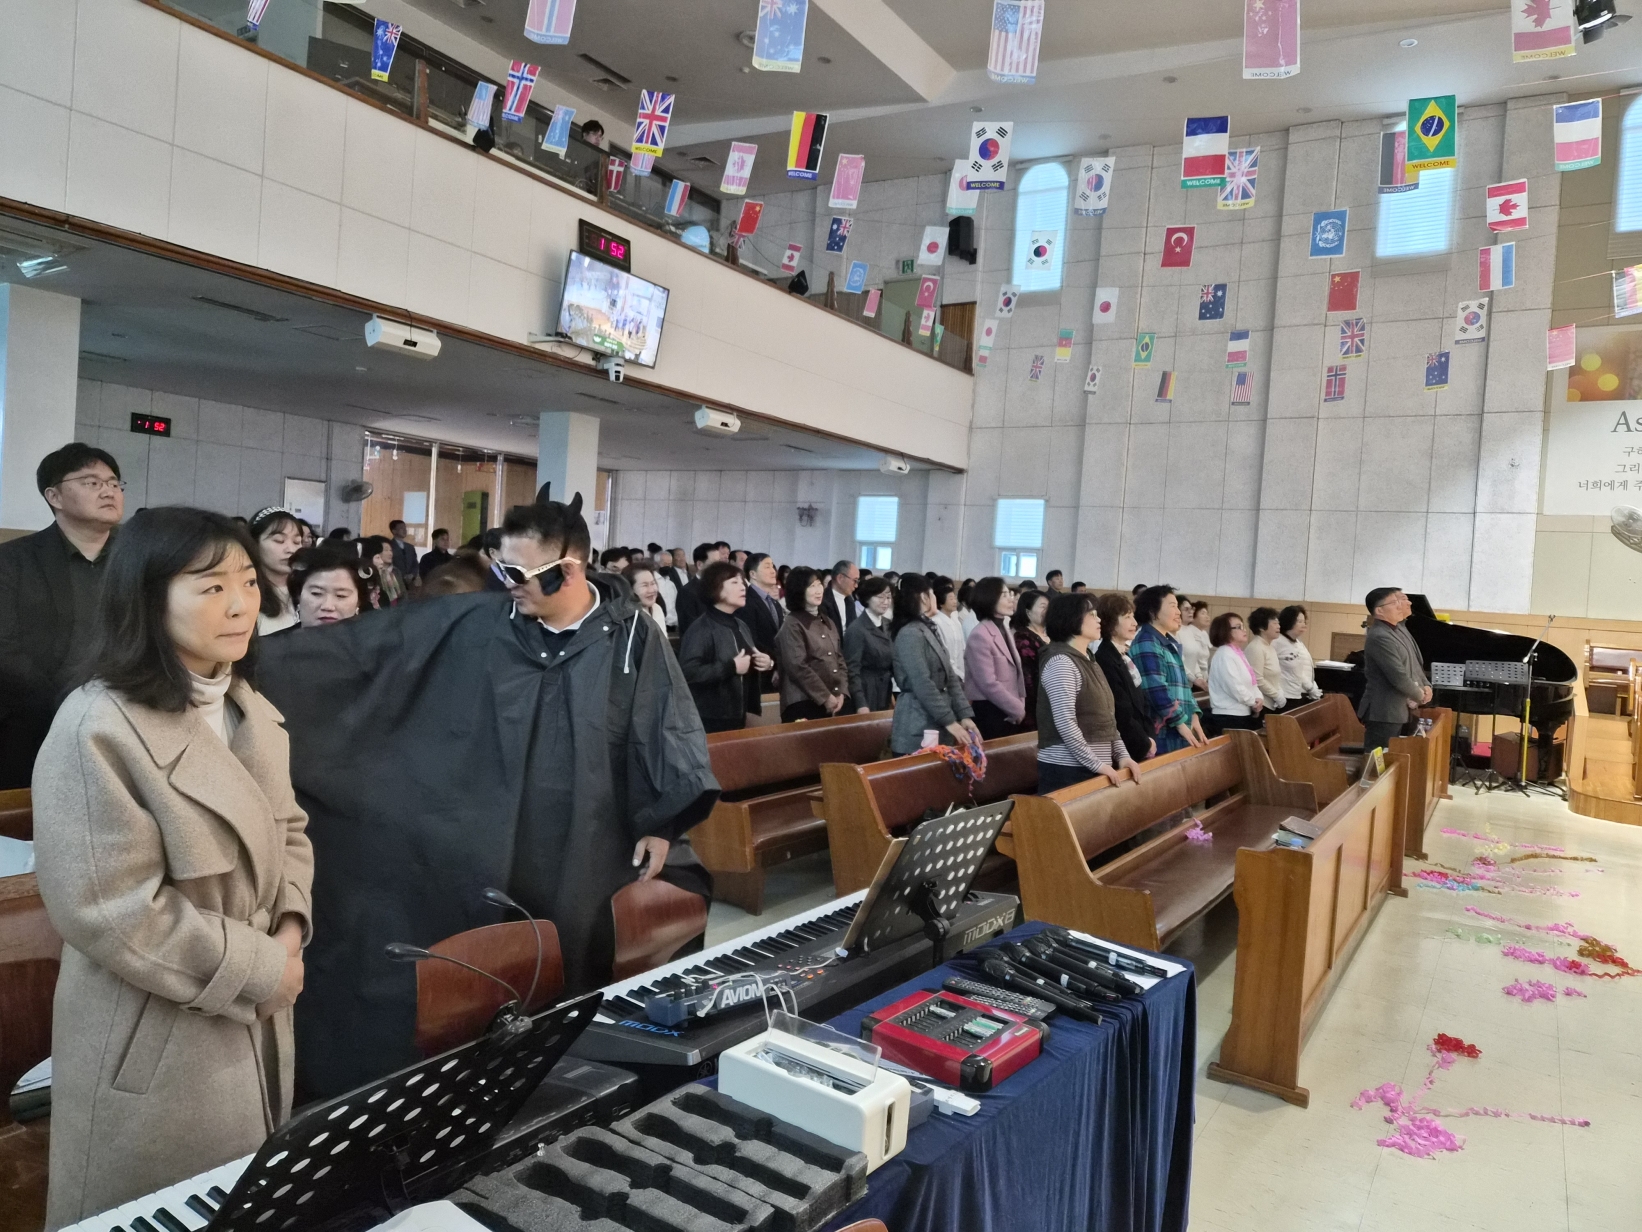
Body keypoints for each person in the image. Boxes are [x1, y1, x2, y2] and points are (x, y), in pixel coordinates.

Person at [257, 490, 717, 1097]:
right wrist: (250, 661)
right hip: (487, 825)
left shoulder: (630, 638)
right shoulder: (484, 622)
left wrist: (662, 822)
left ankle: (565, 1078)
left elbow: (664, 726)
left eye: (520, 575)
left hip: (586, 832)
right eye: (503, 571)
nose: (509, 586)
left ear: (568, 571)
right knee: (485, 946)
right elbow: (376, 651)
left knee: (573, 952)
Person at [32, 508, 312, 1227]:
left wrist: (289, 930)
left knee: (241, 1197)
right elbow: (111, 909)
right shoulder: (96, 726)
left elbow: (289, 830)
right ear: (148, 597)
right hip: (154, 1030)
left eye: (248, 581)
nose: (241, 604)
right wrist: (263, 967)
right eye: (211, 587)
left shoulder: (248, 707)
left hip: (253, 1006)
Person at [0, 442, 125, 790]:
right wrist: (68, 703)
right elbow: (4, 648)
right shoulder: (12, 561)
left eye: (114, 483)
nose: (108, 491)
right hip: (33, 723)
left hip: (126, 721)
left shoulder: (140, 562)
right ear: (54, 496)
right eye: (91, 482)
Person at [1036, 593, 1136, 794]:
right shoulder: (1061, 662)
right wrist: (1096, 764)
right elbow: (1065, 722)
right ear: (1071, 618)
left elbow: (1107, 717)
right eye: (1092, 614)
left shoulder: (1089, 660)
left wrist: (1123, 755)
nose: (1099, 620)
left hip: (1091, 765)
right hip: (1067, 769)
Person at [889, 575, 979, 756]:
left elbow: (950, 676)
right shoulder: (910, 633)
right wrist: (949, 721)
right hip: (917, 722)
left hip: (935, 719)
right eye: (932, 594)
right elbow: (922, 683)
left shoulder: (926, 627)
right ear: (924, 597)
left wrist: (964, 714)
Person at [678, 561, 770, 733]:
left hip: (739, 713)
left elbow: (746, 661)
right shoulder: (701, 628)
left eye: (742, 582)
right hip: (710, 719)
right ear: (715, 588)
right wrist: (731, 667)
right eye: (734, 582)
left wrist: (765, 663)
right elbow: (688, 672)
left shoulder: (741, 624)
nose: (743, 587)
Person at [1130, 584, 1208, 753]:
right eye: (1173, 606)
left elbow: (1184, 685)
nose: (1178, 612)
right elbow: (1155, 688)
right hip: (1163, 732)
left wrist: (1194, 713)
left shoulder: (1167, 642)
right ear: (1153, 612)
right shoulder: (1147, 641)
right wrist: (1179, 722)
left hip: (1178, 728)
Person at [1359, 587, 1431, 753]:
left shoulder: (1396, 630)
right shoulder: (1380, 636)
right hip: (1383, 710)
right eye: (1394, 602)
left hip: (1396, 709)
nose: (1400, 605)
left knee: (1393, 759)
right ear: (1379, 611)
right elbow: (1398, 676)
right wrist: (1420, 695)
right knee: (1378, 760)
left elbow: (1414, 665)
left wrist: (1426, 686)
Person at [774, 566, 847, 721]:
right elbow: (797, 666)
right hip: (801, 703)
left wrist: (840, 692)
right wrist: (825, 697)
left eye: (819, 584)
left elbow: (839, 660)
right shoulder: (792, 624)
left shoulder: (827, 621)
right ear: (798, 590)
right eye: (811, 586)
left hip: (830, 700)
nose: (818, 590)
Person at [1092, 591, 1156, 763]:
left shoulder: (1124, 656)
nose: (1134, 623)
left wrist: (1150, 737)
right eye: (1127, 617)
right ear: (1110, 622)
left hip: (1142, 739)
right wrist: (1144, 743)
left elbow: (1143, 701)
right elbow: (1121, 711)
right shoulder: (1105, 659)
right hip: (1126, 747)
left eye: (1133, 616)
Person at [964, 577, 1027, 739]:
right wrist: (1016, 708)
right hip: (990, 711)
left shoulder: (1004, 628)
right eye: (1004, 595)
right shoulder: (980, 634)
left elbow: (1016, 672)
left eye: (1010, 594)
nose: (1011, 599)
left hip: (1009, 709)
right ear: (990, 599)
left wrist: (1020, 703)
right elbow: (987, 683)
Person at [844, 577, 895, 713]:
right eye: (880, 597)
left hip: (884, 690)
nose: (885, 602)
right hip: (866, 690)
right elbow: (852, 670)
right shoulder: (857, 629)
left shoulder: (888, 624)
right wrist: (860, 703)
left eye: (888, 597)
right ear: (867, 598)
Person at [1207, 612, 1265, 731]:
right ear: (1225, 631)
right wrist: (1253, 702)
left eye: (1243, 626)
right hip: (1229, 716)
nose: (1244, 630)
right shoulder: (1224, 655)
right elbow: (1235, 687)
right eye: (1238, 627)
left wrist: (1258, 698)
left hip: (1242, 713)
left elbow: (1252, 682)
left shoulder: (1237, 653)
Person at [249, 506, 303, 634]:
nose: (291, 549)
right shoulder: (247, 594)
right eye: (279, 541)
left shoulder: (305, 590)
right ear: (254, 543)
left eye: (297, 542)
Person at [288, 545, 370, 628]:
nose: (328, 606)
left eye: (341, 596)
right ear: (298, 595)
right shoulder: (281, 637)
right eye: (316, 593)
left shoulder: (374, 636)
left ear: (359, 601)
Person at [741, 552, 784, 694]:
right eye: (767, 567)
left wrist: (778, 665)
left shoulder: (775, 603)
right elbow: (751, 639)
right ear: (752, 574)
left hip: (775, 670)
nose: (773, 571)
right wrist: (773, 662)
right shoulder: (746, 601)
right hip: (758, 671)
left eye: (772, 566)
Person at [1011, 589, 1051, 715]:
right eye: (1043, 607)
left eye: (1049, 606)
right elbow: (1027, 679)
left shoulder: (1051, 634)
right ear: (1028, 612)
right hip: (1035, 703)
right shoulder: (1023, 639)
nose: (1048, 611)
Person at [1275, 604, 1324, 706]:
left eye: (1304, 621)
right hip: (1286, 694)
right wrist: (1310, 687)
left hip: (1299, 692)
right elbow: (1296, 671)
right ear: (1289, 621)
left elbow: (1304, 667)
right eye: (1299, 621)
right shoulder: (1278, 641)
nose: (1304, 625)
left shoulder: (1297, 642)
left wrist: (1313, 685)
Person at [1245, 607, 1287, 714]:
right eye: (1274, 623)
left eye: (1278, 623)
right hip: (1261, 704)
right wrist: (1276, 695)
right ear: (1261, 628)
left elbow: (1274, 675)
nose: (1279, 626)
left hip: (1271, 703)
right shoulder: (1256, 648)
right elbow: (1257, 679)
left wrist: (1279, 691)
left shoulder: (1269, 647)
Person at [673, 542, 718, 636]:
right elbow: (690, 629)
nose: (719, 568)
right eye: (714, 563)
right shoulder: (687, 592)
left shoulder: (722, 588)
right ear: (700, 565)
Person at [930, 580, 966, 683]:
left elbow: (962, 648)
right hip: (946, 673)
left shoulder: (956, 621)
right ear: (941, 603)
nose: (955, 601)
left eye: (955, 598)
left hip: (960, 673)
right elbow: (943, 651)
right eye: (951, 598)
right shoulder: (936, 622)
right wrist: (955, 672)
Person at [623, 562, 669, 635]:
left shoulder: (657, 609)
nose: (651, 590)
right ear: (630, 589)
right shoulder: (626, 618)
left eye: (653, 583)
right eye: (645, 585)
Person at [1178, 600, 1213, 691]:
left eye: (1191, 609)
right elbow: (1179, 661)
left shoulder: (1188, 630)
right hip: (1182, 681)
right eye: (1186, 609)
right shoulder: (1176, 631)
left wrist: (1199, 677)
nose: (1191, 612)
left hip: (1193, 681)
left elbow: (1194, 658)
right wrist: (1194, 679)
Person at [822, 559, 862, 637]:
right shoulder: (823, 600)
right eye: (855, 581)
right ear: (840, 578)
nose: (856, 586)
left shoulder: (849, 601)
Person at [652, 549, 680, 627]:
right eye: (664, 564)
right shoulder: (652, 581)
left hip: (673, 624)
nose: (667, 567)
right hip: (658, 624)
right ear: (655, 564)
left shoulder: (671, 584)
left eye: (669, 564)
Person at [388, 520, 419, 587]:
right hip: (394, 582)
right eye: (401, 528)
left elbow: (415, 564)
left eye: (405, 528)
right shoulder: (389, 546)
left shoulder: (410, 547)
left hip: (410, 583)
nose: (405, 530)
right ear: (394, 531)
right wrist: (401, 576)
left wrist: (412, 575)